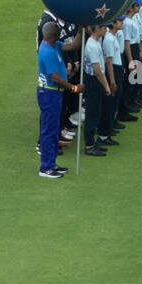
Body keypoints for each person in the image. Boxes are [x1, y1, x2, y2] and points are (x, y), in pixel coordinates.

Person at [37, 21, 78, 178]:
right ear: (53, 35)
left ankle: (52, 164)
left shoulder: (54, 45)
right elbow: (55, 78)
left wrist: (81, 29)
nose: (60, 33)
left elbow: (73, 45)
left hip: (54, 94)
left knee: (54, 130)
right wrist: (74, 88)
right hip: (49, 93)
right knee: (48, 131)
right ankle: (45, 168)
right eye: (57, 31)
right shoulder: (47, 51)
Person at [82, 25, 114, 156]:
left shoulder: (95, 42)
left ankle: (92, 142)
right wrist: (106, 85)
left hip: (95, 80)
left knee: (96, 111)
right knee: (92, 113)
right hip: (93, 81)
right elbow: (97, 70)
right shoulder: (92, 46)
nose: (106, 29)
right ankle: (89, 145)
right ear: (97, 29)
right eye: (103, 27)